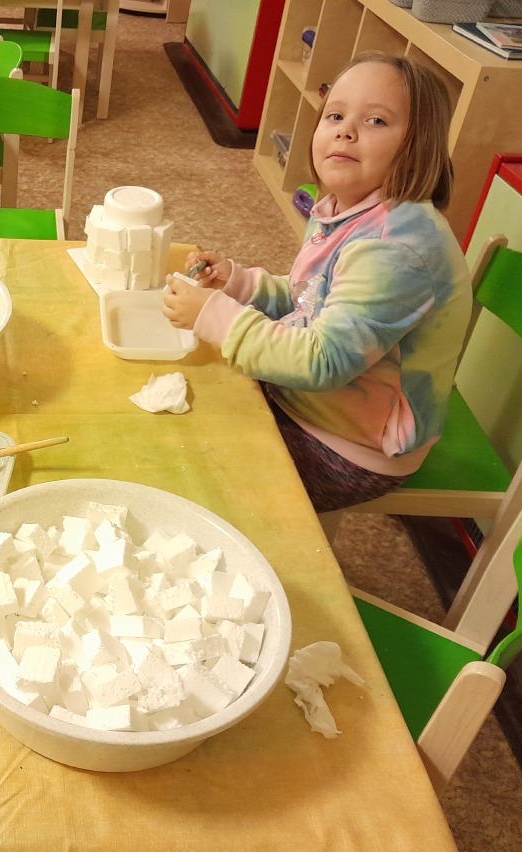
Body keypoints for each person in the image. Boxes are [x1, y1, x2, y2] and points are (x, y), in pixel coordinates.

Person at [163, 51, 473, 513]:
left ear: (418, 146)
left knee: (191, 470)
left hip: (345, 448)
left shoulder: (394, 250)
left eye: (375, 121)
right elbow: (309, 299)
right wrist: (239, 284)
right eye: (335, 115)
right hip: (308, 403)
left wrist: (215, 316)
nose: (346, 131)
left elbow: (322, 362)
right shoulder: (345, 208)